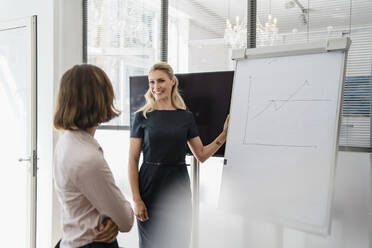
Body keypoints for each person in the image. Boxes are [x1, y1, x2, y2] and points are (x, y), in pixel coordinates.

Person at [128, 62, 229, 248]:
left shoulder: (185, 117)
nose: (156, 87)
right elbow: (133, 160)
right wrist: (136, 199)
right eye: (151, 82)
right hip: (149, 188)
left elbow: (201, 154)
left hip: (178, 189)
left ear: (172, 81)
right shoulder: (142, 117)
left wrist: (223, 136)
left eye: (160, 81)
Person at [53, 64, 134, 248]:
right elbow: (126, 220)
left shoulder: (66, 142)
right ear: (100, 99)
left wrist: (111, 218)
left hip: (71, 240)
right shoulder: (88, 159)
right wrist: (116, 218)